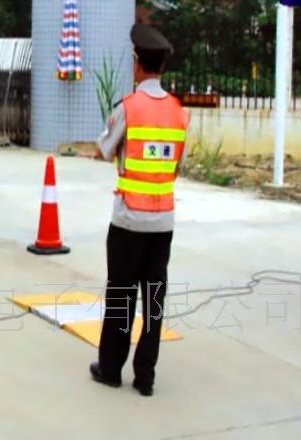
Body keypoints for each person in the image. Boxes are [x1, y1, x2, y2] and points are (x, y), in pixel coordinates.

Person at [86, 24, 189, 397]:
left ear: (137, 63)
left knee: (122, 296)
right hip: (162, 222)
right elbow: (176, 166)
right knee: (154, 298)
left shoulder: (129, 108)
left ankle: (111, 368)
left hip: (129, 219)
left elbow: (105, 148)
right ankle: (145, 376)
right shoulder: (179, 113)